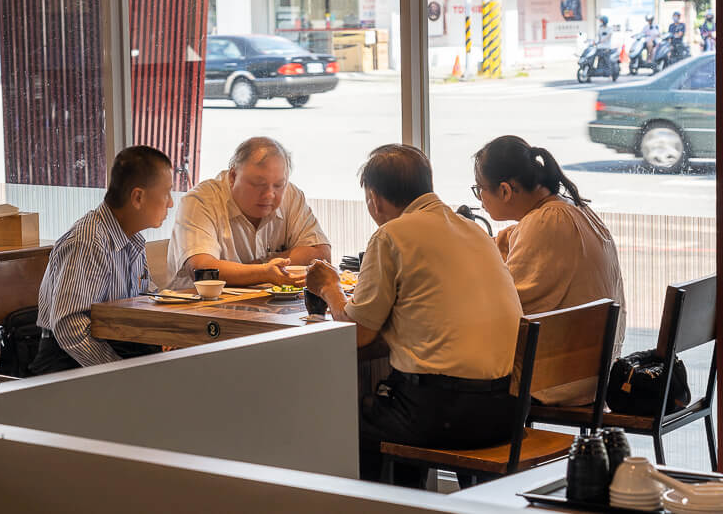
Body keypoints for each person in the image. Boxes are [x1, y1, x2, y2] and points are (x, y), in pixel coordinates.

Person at [305, 144, 523, 485]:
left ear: (374, 199)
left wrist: (329, 287)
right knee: (396, 394)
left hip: (444, 415)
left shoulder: (391, 235)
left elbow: (357, 334)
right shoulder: (475, 232)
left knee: (341, 420)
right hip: (506, 411)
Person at [472, 135, 627, 405]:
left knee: (450, 366)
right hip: (596, 370)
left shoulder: (545, 223)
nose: (480, 198)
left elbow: (511, 310)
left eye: (479, 189)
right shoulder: (576, 211)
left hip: (562, 380)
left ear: (506, 191)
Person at [31, 146, 174, 374]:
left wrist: (166, 328)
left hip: (119, 347)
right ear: (138, 197)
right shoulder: (88, 241)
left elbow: (143, 294)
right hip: (69, 363)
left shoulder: (132, 238)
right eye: (166, 193)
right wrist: (119, 373)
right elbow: (70, 327)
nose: (170, 203)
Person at [166, 137, 330, 290]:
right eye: (258, 184)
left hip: (269, 310)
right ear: (233, 176)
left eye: (279, 185)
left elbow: (320, 253)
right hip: (197, 311)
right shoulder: (201, 200)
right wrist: (264, 272)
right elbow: (202, 269)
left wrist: (264, 264)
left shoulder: (291, 195)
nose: (269, 194)